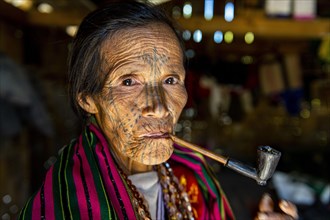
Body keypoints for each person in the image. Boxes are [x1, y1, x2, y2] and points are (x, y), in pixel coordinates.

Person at [18, 1, 297, 219]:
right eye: (129, 81)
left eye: (170, 80)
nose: (160, 107)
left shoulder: (191, 173)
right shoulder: (65, 205)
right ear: (88, 99)